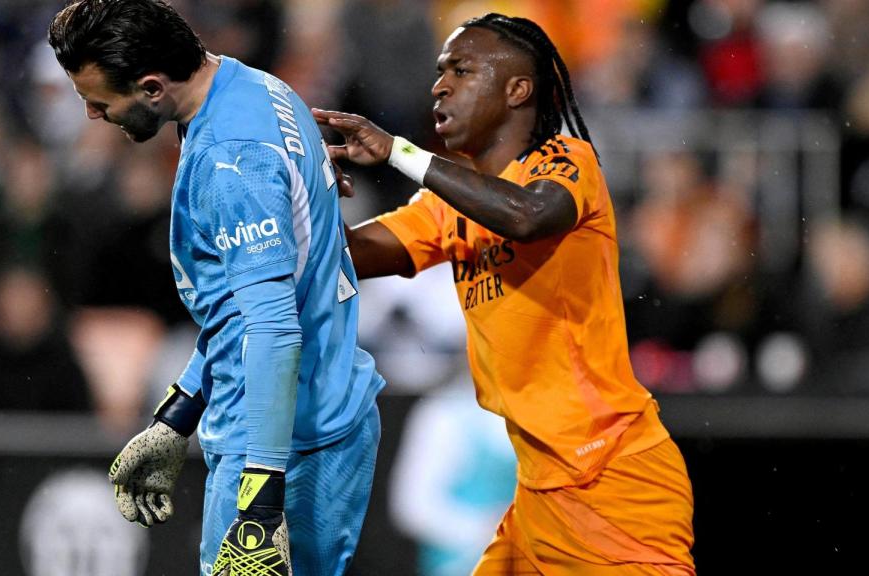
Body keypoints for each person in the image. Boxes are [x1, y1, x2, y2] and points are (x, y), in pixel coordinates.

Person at [314, 13, 695, 575]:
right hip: (538, 490)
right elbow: (337, 257)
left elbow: (526, 215)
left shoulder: (566, 161)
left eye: (462, 70)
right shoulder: (447, 206)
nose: (440, 85)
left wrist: (401, 153)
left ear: (518, 89)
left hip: (611, 478)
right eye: (440, 72)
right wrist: (294, 202)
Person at [48, 2, 385, 575]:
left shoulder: (230, 160)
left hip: (284, 444)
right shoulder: (252, 86)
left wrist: (259, 506)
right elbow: (247, 308)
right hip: (322, 417)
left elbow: (274, 330)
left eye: (101, 102)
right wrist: (179, 413)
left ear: (153, 87)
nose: (91, 114)